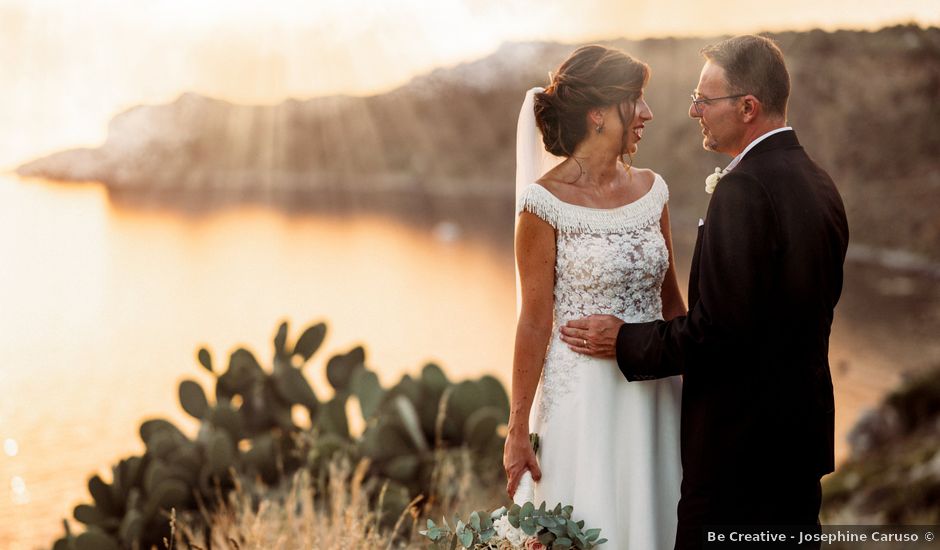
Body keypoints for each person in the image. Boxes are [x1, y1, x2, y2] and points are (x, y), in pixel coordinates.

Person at [560, 35, 849, 549]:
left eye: (704, 99)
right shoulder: (819, 183)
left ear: (747, 107)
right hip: (797, 447)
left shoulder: (744, 189)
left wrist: (624, 340)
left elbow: (719, 334)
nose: (693, 110)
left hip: (739, 457)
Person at [504, 44, 685, 549]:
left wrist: (700, 391)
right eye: (637, 100)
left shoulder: (654, 191)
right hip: (583, 407)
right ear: (599, 114)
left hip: (655, 396)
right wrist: (518, 427)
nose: (647, 113)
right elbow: (534, 321)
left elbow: (672, 305)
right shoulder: (541, 205)